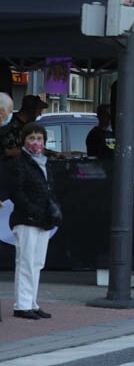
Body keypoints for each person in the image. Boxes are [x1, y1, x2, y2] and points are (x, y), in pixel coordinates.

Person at [9, 122, 60, 320]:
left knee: (37, 262)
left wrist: (52, 209)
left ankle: (31, 302)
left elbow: (50, 190)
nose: (36, 142)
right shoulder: (19, 164)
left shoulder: (44, 163)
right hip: (26, 219)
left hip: (42, 219)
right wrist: (32, 209)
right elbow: (17, 192)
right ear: (24, 140)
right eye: (31, 138)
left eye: (39, 138)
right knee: (26, 262)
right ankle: (22, 304)